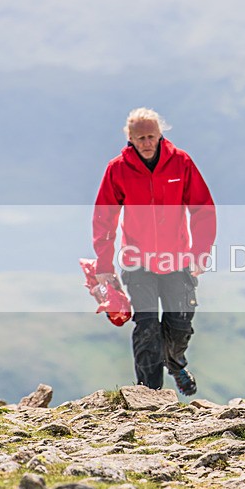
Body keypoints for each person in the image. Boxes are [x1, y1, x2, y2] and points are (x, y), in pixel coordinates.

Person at [92, 108, 217, 395]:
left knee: (180, 324)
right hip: (137, 262)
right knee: (146, 326)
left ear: (160, 134)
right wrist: (104, 264)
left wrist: (200, 253)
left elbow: (202, 209)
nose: (146, 142)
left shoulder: (181, 162)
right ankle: (150, 395)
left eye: (151, 136)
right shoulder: (117, 169)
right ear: (130, 139)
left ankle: (175, 362)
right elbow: (104, 218)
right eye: (140, 138)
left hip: (177, 259)